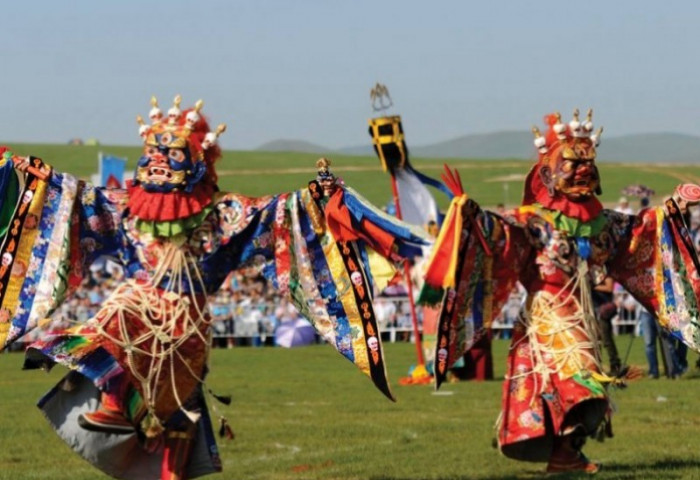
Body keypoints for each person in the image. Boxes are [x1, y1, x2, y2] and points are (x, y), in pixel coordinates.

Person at [0, 96, 428, 480]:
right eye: (154, 152)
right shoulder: (124, 209)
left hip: (184, 331)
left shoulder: (226, 217)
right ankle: (117, 407)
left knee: (171, 416)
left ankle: (125, 417)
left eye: (171, 153)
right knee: (127, 314)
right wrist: (27, 175)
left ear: (197, 159)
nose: (160, 161)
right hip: (135, 324)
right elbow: (72, 197)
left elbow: (279, 215)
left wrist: (319, 200)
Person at [420, 109, 700, 474]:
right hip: (548, 315)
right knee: (582, 382)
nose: (583, 169)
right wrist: (473, 216)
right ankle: (566, 451)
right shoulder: (534, 221)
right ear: (549, 174)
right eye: (572, 163)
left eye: (588, 162)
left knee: (569, 387)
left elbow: (637, 233)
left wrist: (673, 207)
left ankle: (565, 454)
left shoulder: (603, 223)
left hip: (579, 315)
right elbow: (500, 234)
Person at [593, 276, 622, 376]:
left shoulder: (605, 272)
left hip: (602, 310)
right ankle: (596, 365)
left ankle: (615, 365)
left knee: (606, 339)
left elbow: (609, 287)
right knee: (595, 340)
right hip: (593, 309)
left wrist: (593, 286)